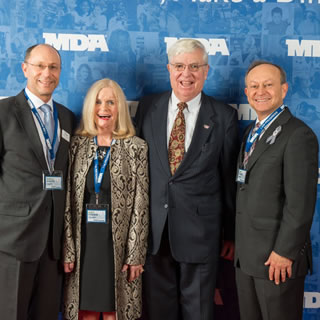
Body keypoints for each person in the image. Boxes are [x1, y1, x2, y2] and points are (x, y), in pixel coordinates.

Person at [135, 38, 239, 320]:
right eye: (179, 66)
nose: (186, 74)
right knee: (158, 312)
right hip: (155, 235)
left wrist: (229, 233)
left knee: (198, 312)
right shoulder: (147, 108)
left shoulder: (224, 116)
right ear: (169, 69)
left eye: (195, 66)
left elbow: (229, 181)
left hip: (201, 236)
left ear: (206, 71)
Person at [234, 60, 318, 320]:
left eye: (268, 85)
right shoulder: (252, 131)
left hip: (276, 260)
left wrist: (284, 252)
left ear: (284, 89)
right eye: (254, 86)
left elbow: (300, 204)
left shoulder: (298, 135)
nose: (261, 91)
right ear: (246, 93)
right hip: (248, 258)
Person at [63, 78, 149, 320]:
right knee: (85, 310)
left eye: (111, 102)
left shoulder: (136, 148)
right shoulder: (76, 146)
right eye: (99, 101)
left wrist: (135, 255)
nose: (104, 108)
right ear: (90, 107)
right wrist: (68, 249)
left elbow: (141, 206)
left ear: (119, 108)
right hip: (84, 245)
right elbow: (67, 203)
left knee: (115, 311)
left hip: (119, 244)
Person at [0, 43, 75, 320]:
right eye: (40, 66)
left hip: (52, 243)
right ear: (25, 69)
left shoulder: (66, 117)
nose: (47, 73)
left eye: (53, 67)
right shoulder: (4, 112)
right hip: (13, 239)